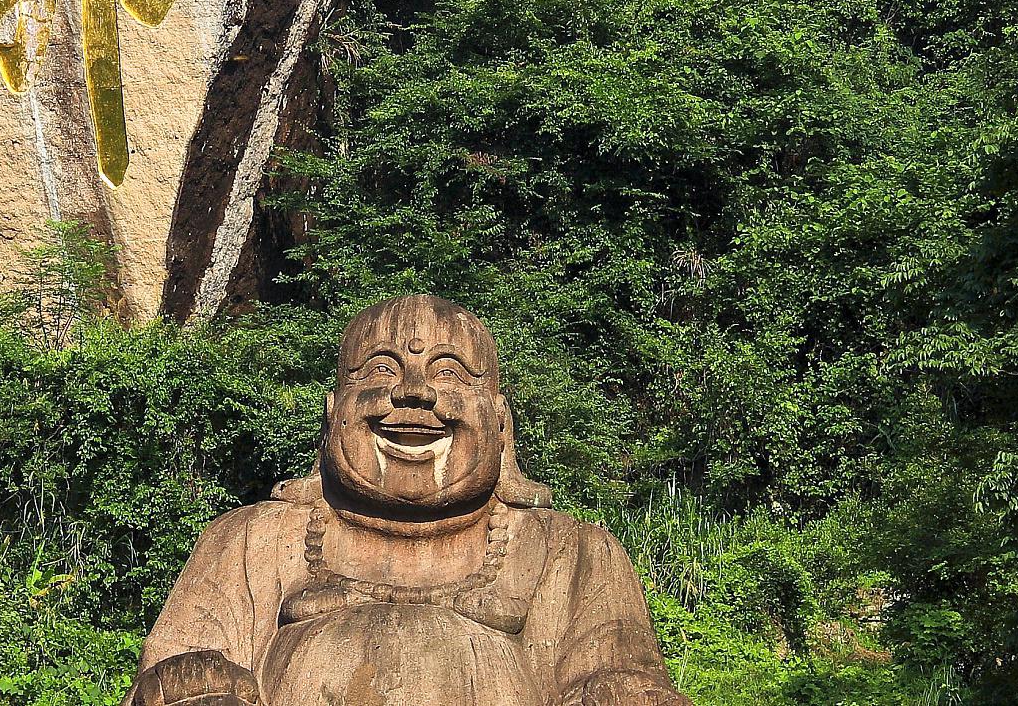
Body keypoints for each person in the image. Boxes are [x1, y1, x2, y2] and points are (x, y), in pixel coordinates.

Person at [127, 295, 689, 706]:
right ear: (332, 414)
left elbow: (624, 685)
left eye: (449, 372)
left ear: (500, 424)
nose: (413, 393)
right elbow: (179, 679)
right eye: (380, 370)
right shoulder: (251, 540)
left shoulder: (568, 551)